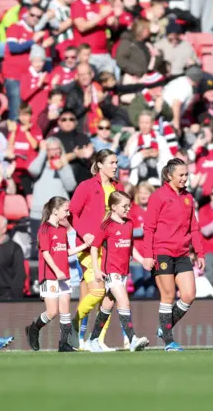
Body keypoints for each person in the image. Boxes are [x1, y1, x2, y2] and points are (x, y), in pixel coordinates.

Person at [142, 158, 205, 352]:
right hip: (162, 252)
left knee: (188, 295)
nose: (185, 178)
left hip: (183, 253)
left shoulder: (188, 198)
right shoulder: (158, 197)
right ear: (169, 176)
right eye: (181, 175)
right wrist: (147, 255)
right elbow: (149, 228)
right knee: (168, 295)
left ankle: (164, 328)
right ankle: (169, 341)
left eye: (187, 174)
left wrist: (200, 252)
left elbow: (193, 228)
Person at [69, 149, 122, 351]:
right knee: (98, 291)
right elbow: (72, 213)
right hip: (89, 246)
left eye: (116, 162)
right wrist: (85, 233)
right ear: (99, 164)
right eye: (111, 162)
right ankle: (72, 327)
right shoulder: (86, 186)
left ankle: (97, 340)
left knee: (110, 295)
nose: (115, 166)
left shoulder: (118, 187)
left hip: (111, 248)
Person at [87, 191, 149, 353]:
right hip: (111, 272)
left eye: (129, 205)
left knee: (107, 306)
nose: (128, 209)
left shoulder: (129, 223)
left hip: (123, 272)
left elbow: (130, 247)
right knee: (124, 301)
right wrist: (96, 269)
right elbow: (94, 248)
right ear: (114, 207)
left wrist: (142, 260)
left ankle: (93, 340)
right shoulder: (106, 225)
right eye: (124, 206)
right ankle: (132, 339)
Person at [25, 196, 89, 352]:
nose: (68, 214)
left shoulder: (62, 229)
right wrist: (57, 270)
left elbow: (66, 251)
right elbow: (46, 253)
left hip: (63, 275)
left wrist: (85, 245)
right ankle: (33, 328)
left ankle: (63, 343)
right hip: (50, 275)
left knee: (65, 308)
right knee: (52, 312)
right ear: (55, 211)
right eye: (66, 210)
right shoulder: (45, 229)